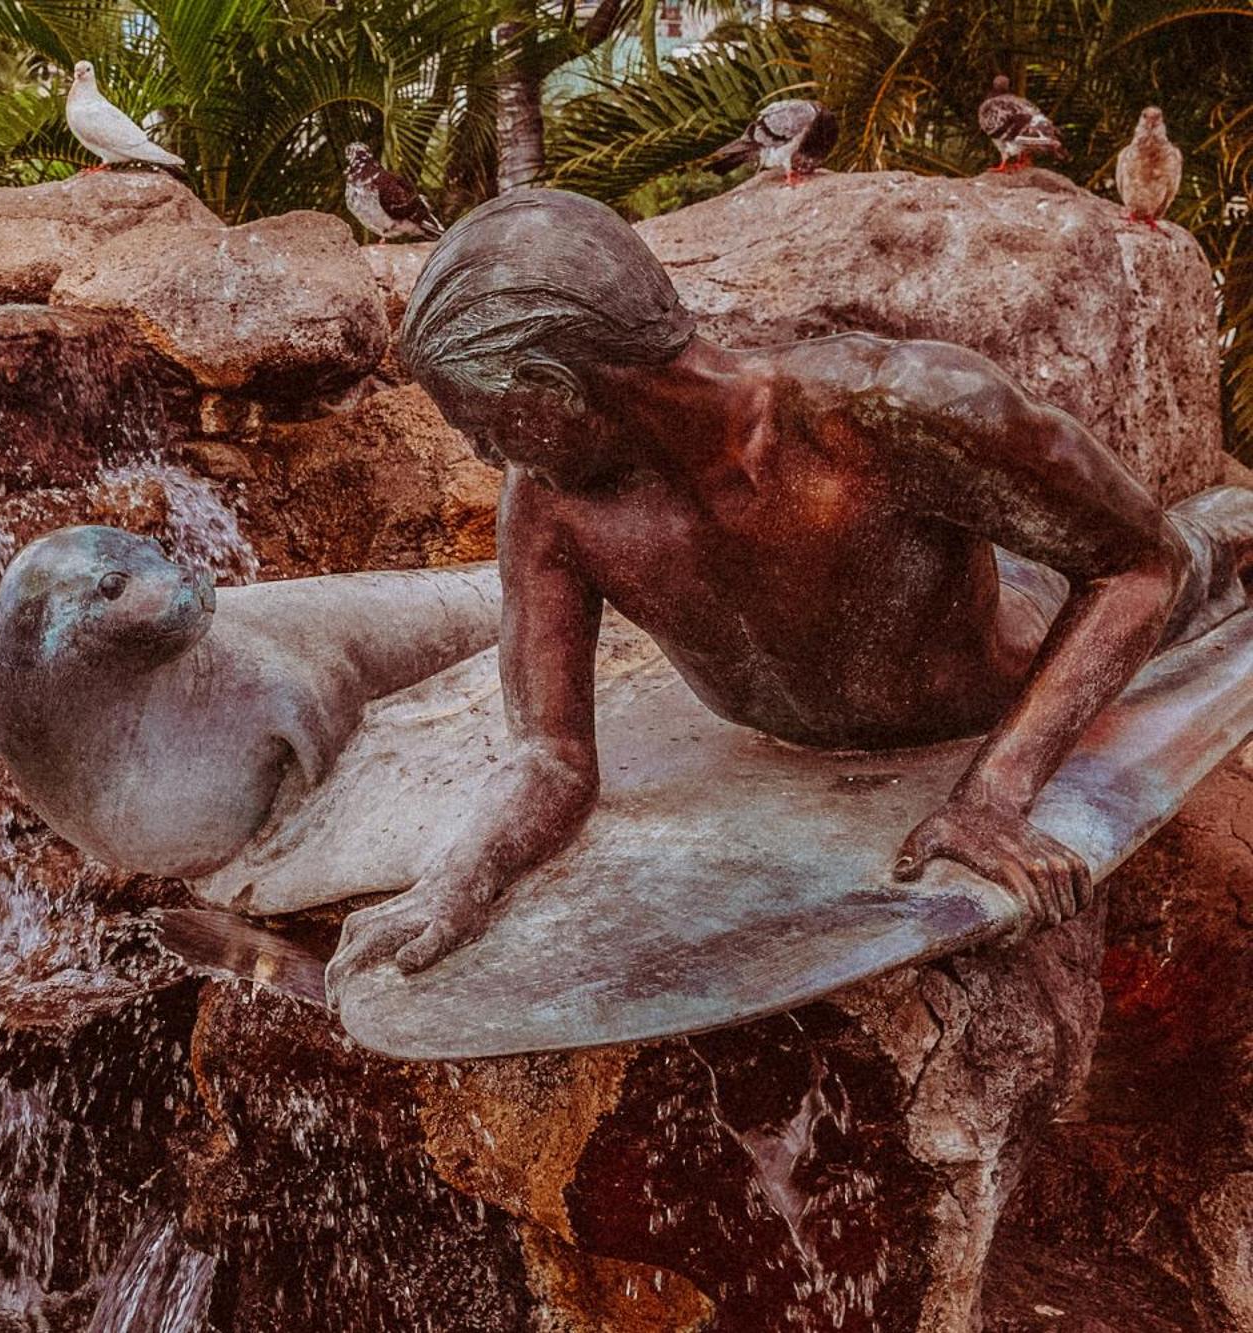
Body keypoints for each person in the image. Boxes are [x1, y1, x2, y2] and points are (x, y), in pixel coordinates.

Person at [333, 188, 1253, 978]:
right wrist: (460, 881)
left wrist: (994, 795)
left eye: (485, 425)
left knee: (1197, 550)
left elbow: (1139, 564)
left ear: (554, 388)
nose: (485, 454)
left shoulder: (885, 411)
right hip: (831, 695)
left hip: (999, 664)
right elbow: (552, 756)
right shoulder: (549, 503)